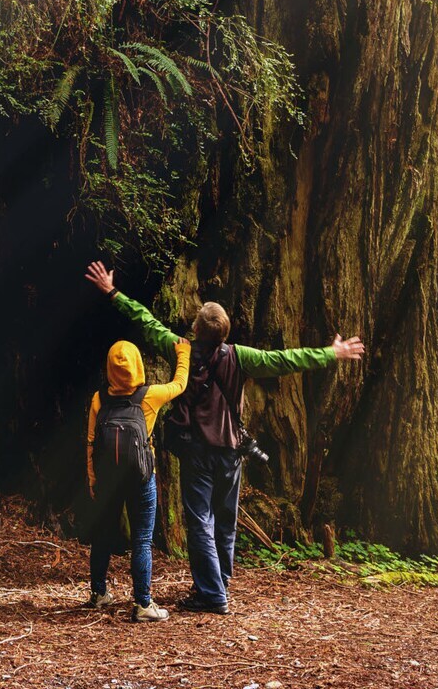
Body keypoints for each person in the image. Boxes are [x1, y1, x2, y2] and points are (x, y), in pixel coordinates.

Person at [84, 260, 364, 614]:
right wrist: (331, 353)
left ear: (197, 328)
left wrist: (112, 292)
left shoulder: (180, 348)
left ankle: (213, 594)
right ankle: (218, 583)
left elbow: (145, 321)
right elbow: (285, 360)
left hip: (196, 451)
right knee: (224, 521)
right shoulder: (239, 356)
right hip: (231, 450)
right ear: (224, 333)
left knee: (200, 520)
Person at [82, 333, 189, 621]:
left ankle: (98, 594)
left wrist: (93, 480)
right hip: (141, 478)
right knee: (141, 541)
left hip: (107, 481)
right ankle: (143, 604)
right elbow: (180, 384)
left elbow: (91, 443)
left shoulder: (98, 399)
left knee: (102, 537)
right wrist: (183, 354)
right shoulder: (149, 397)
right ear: (138, 366)